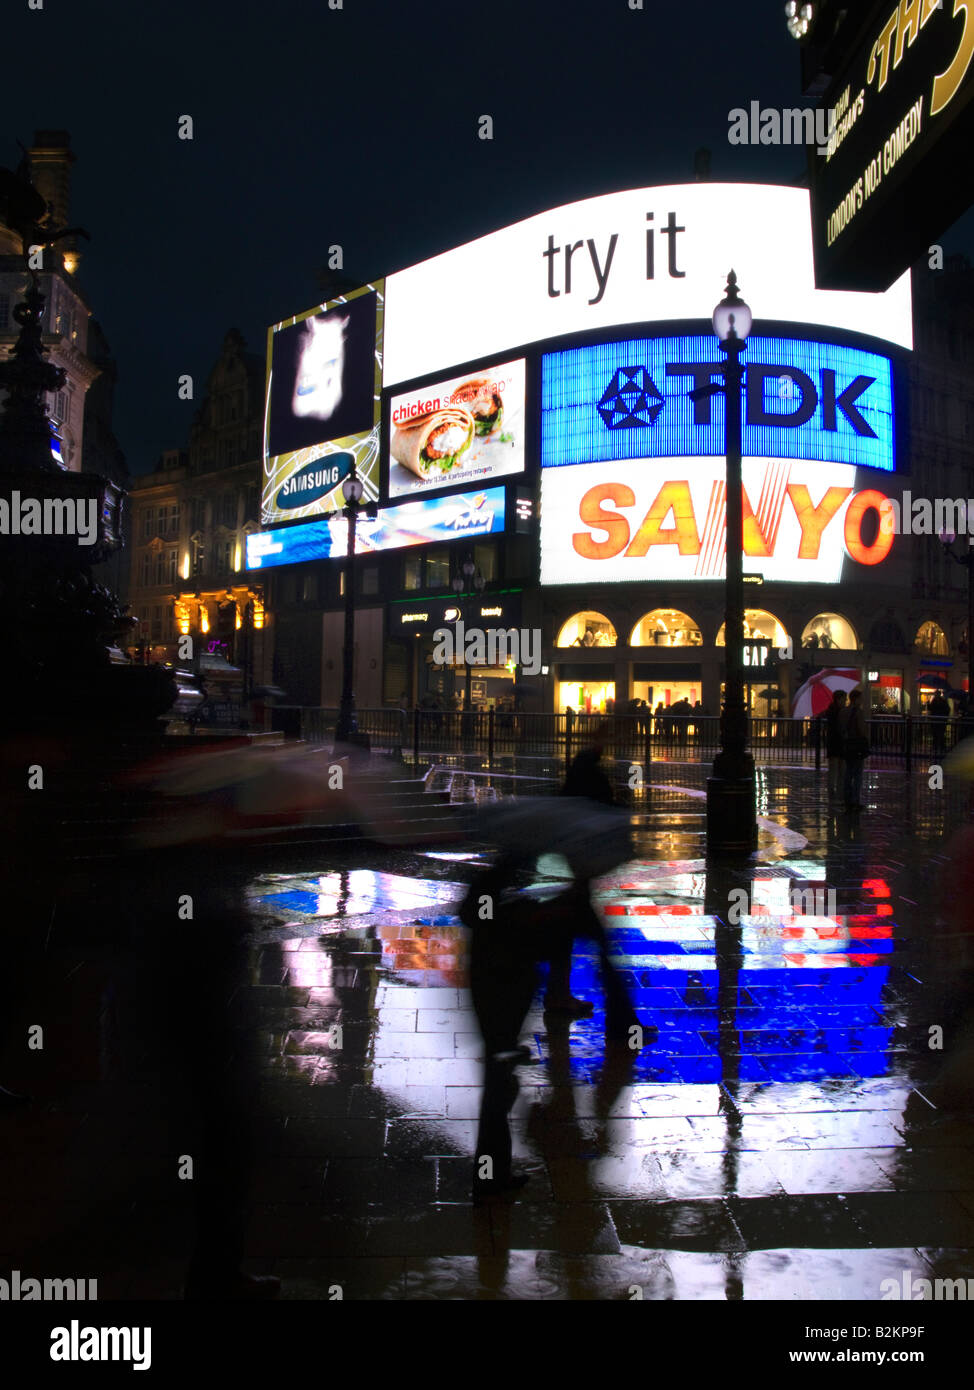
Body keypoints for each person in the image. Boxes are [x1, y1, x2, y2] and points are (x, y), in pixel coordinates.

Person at [843, 688, 869, 810]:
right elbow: (862, 729)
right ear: (856, 699)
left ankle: (847, 798)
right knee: (858, 773)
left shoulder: (844, 711)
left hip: (847, 744)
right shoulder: (858, 712)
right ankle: (855, 800)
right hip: (857, 744)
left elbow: (840, 727)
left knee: (848, 771)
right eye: (861, 698)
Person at [824, 689, 848, 803]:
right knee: (839, 768)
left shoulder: (830, 711)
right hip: (838, 742)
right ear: (839, 699)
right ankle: (837, 789)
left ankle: (833, 789)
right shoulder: (839, 712)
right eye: (844, 699)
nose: (845, 701)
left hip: (833, 742)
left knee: (834, 768)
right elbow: (840, 727)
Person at [928, 689, 951, 758]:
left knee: (939, 734)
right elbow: (931, 709)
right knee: (936, 734)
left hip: (939, 720)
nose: (936, 695)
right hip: (938, 720)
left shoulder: (939, 701)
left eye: (936, 694)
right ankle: (938, 746)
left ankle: (939, 746)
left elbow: (947, 710)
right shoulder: (939, 701)